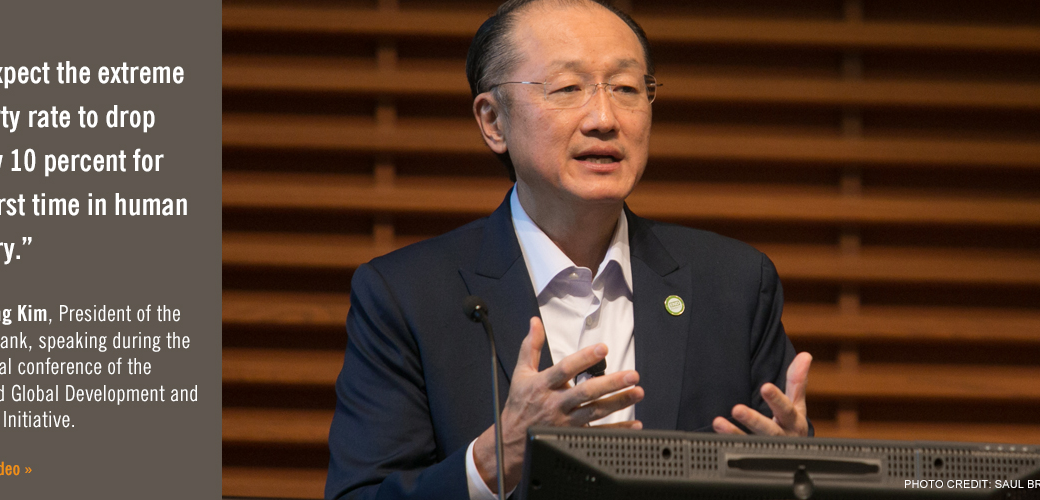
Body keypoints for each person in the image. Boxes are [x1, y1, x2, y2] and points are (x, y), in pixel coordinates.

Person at [324, 1, 811, 499]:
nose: (604, 118)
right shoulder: (407, 295)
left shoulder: (733, 283)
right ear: (493, 121)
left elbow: (783, 466)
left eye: (625, 89)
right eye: (567, 88)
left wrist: (799, 478)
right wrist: (495, 460)